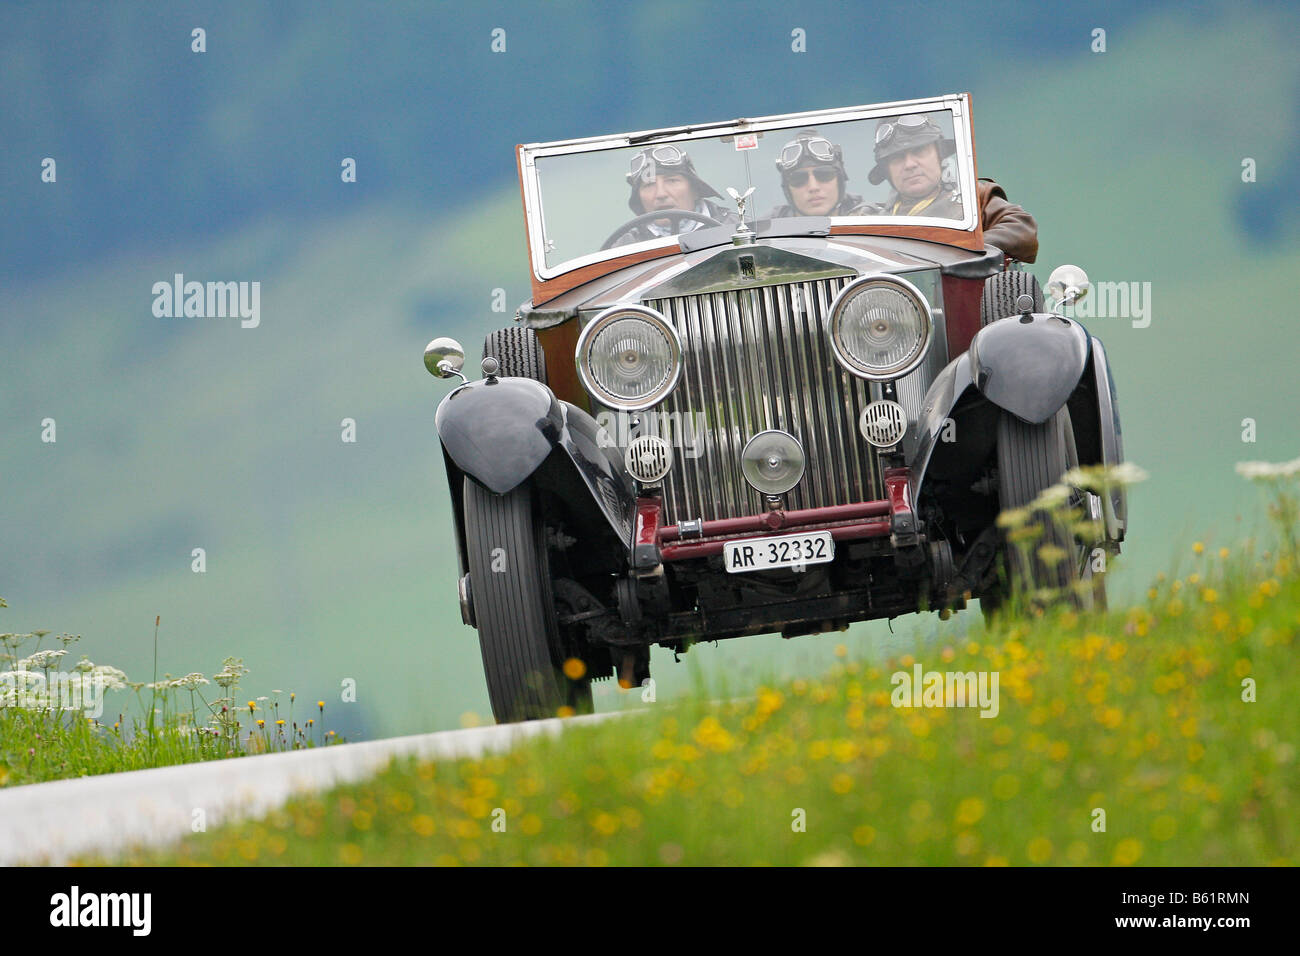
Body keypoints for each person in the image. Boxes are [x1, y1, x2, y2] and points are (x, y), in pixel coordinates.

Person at [866, 113, 1039, 263]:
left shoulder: (973, 199)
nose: (910, 164)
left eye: (919, 151)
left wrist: (963, 251)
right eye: (897, 158)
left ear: (939, 155)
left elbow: (1022, 228)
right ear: (887, 171)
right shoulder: (872, 220)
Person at [609, 145, 737, 247]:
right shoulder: (624, 248)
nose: (661, 194)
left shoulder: (740, 229)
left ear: (695, 190)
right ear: (639, 199)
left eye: (672, 181)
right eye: (649, 185)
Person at [767, 129, 870, 217]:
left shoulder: (872, 220)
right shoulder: (763, 232)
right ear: (787, 188)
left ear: (839, 180)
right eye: (798, 179)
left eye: (824, 175)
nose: (813, 187)